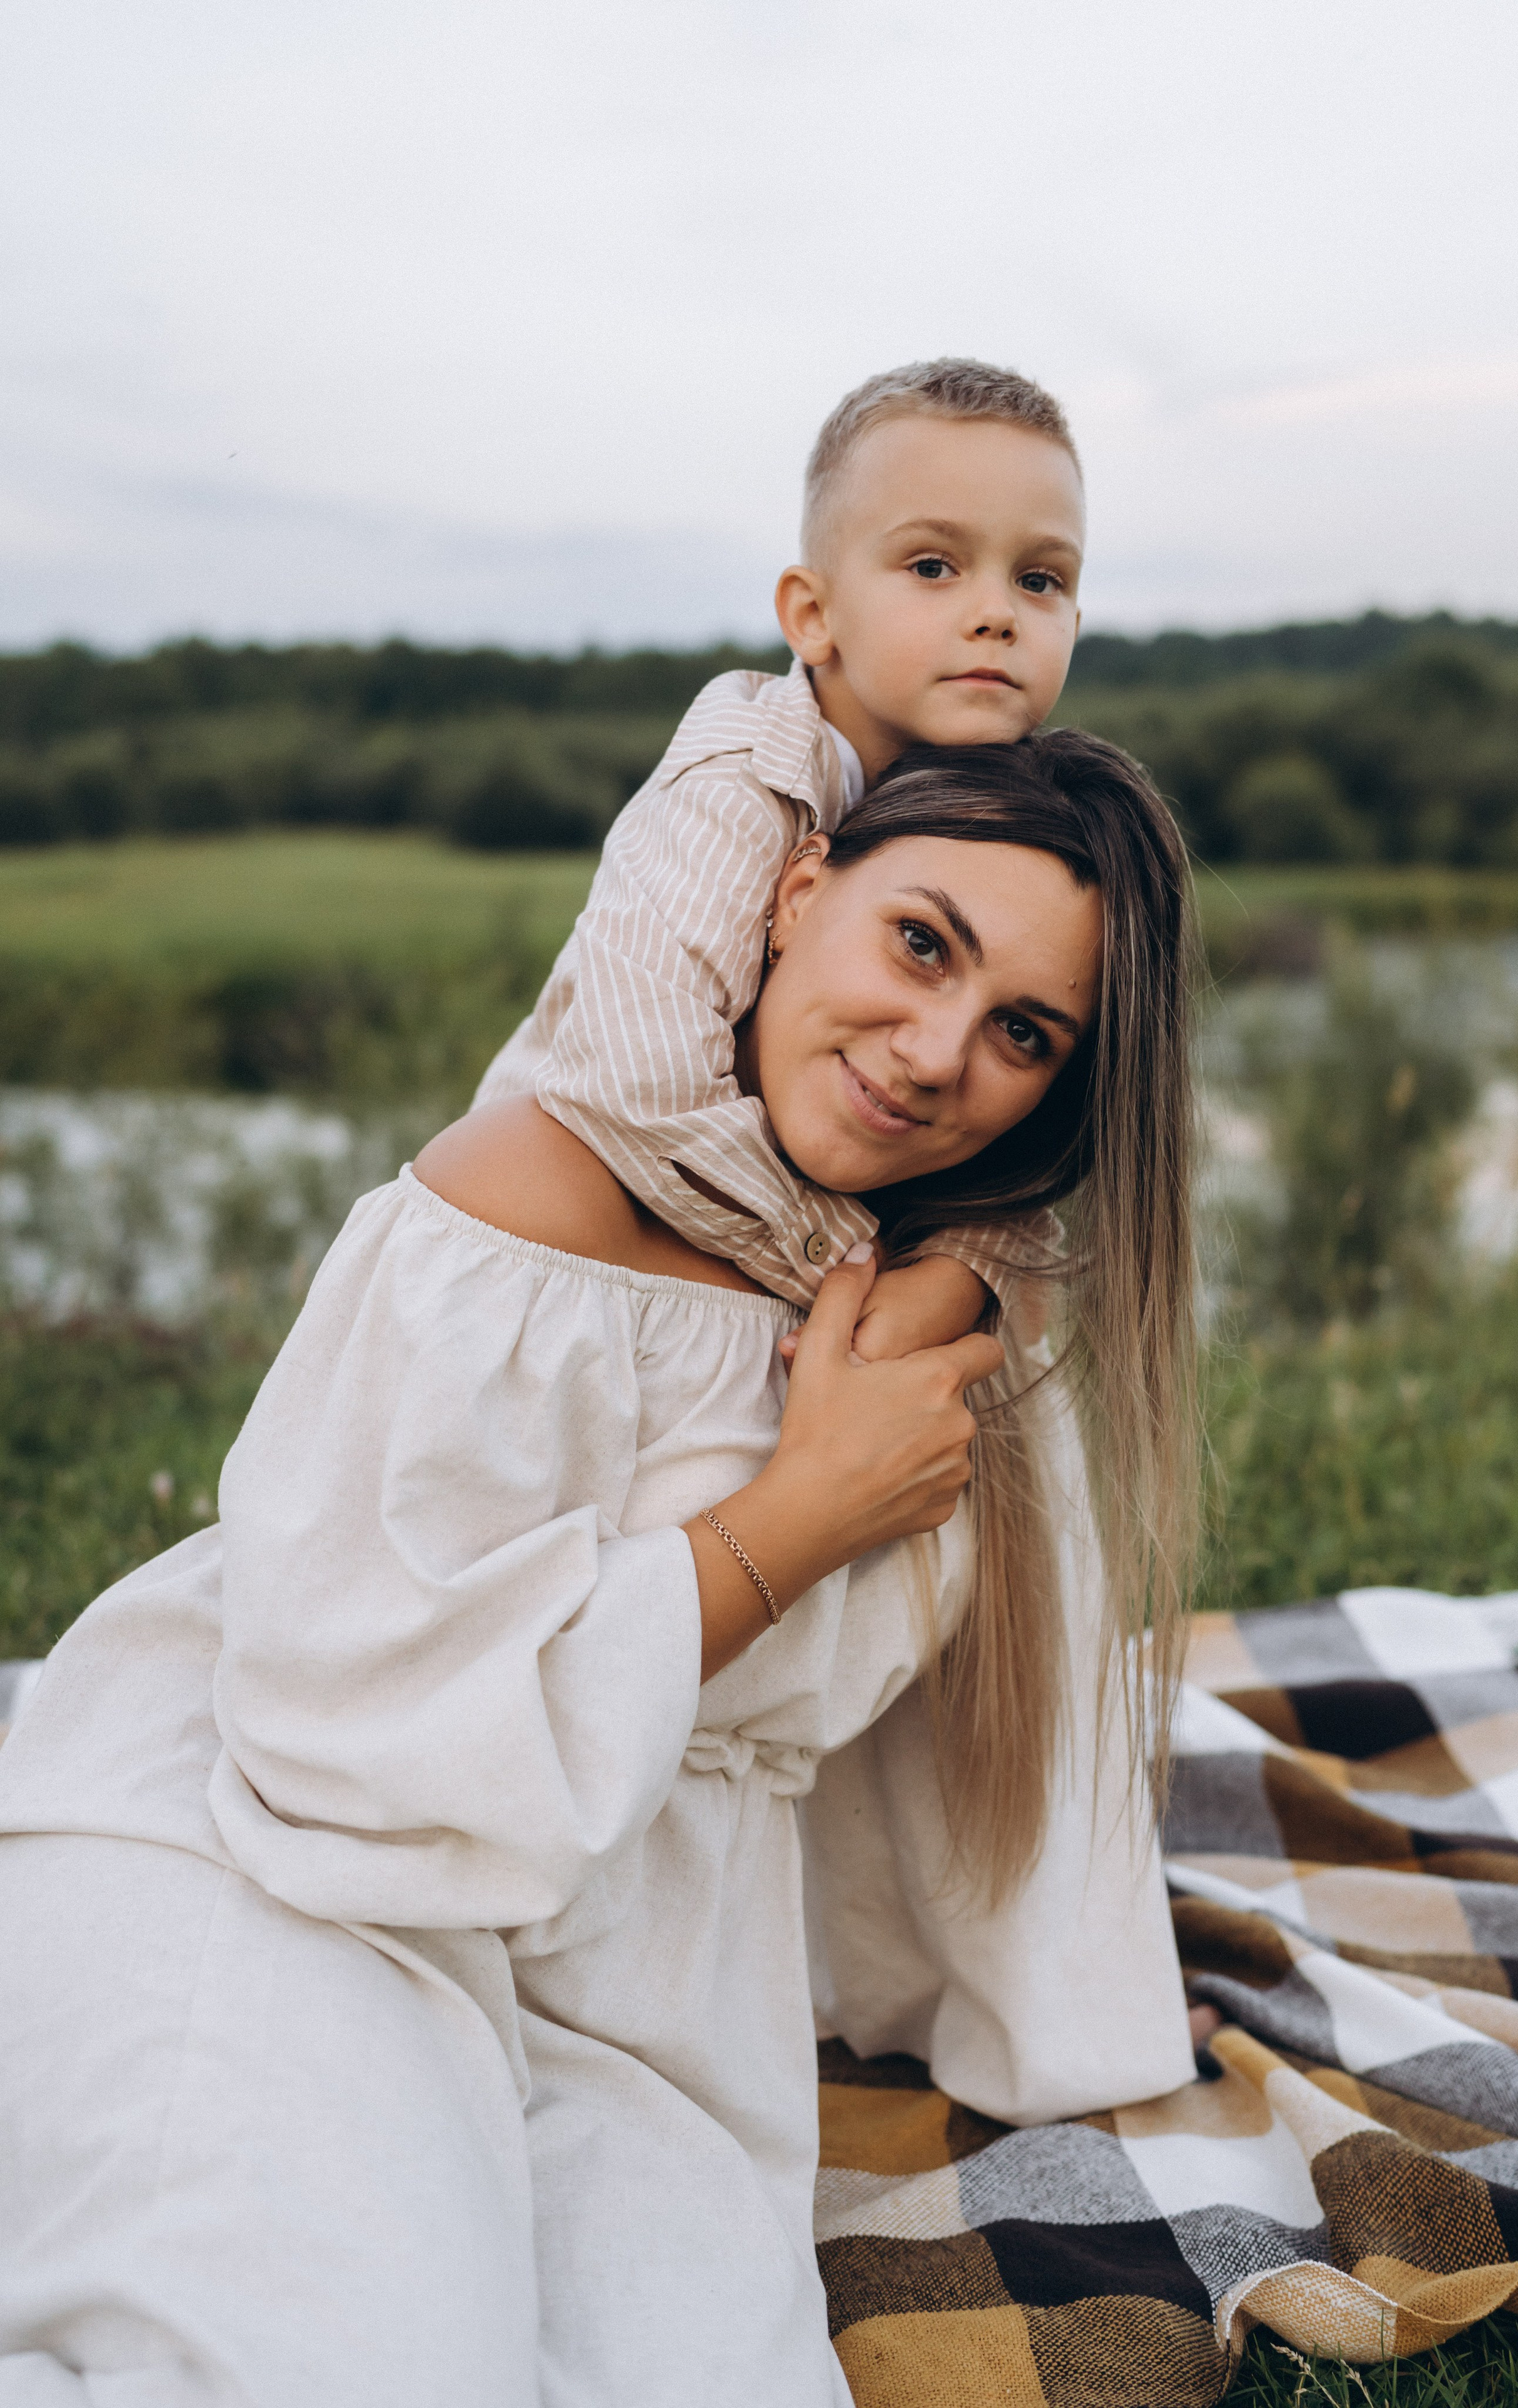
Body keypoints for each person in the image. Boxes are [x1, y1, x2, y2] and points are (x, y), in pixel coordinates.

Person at [0, 734, 1200, 2405]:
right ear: (797, 895)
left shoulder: (950, 1324)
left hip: (642, 1982)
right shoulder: (533, 1200)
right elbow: (338, 1722)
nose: (936, 1053)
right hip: (287, 1853)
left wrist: (1041, 2031)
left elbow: (998, 1746)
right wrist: (794, 1524)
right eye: (922, 942)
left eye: (1024, 1035)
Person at [478, 357, 1089, 1355]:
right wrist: (849, 1274)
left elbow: (1032, 1147)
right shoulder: (736, 789)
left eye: (1040, 579)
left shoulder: (1012, 820)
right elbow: (638, 1086)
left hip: (733, 1255)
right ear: (812, 615)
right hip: (564, 1269)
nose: (997, 612)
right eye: (934, 566)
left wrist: (963, 1265)